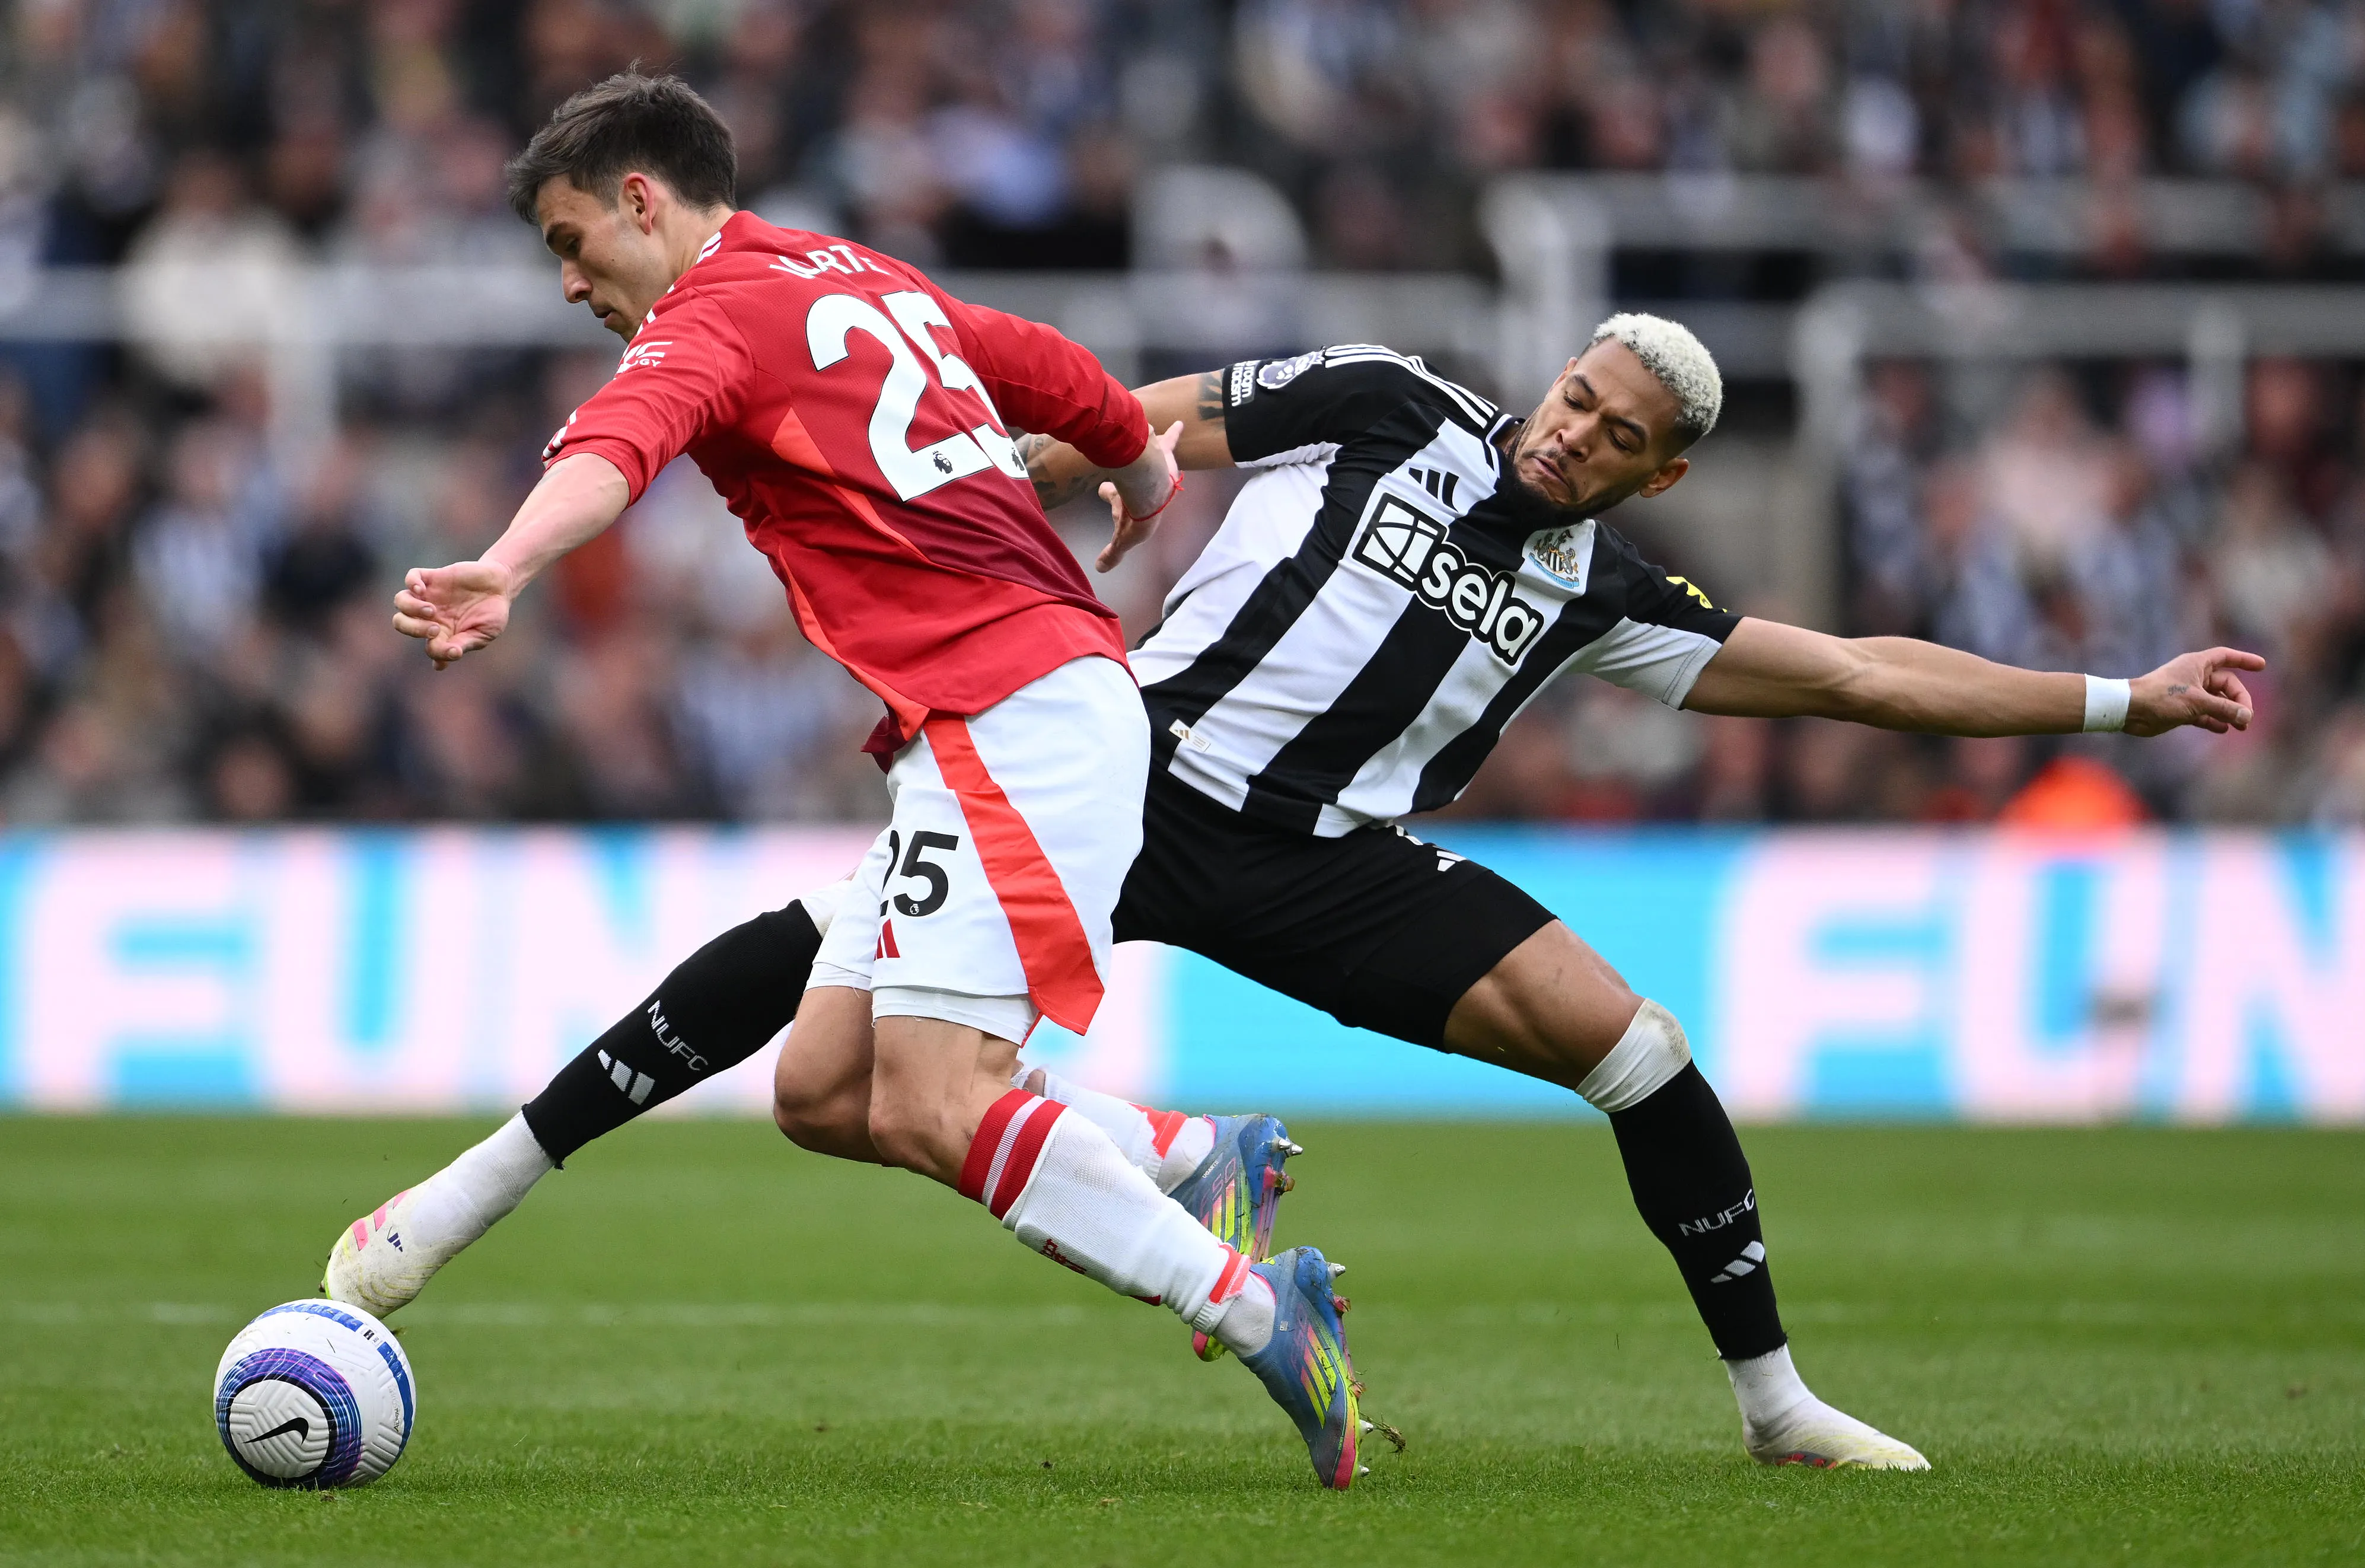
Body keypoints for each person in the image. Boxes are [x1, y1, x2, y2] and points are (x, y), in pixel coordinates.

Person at [338, 313, 2264, 1474]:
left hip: (1327, 867)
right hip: (1119, 778)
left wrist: (2123, 697)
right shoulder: (1380, 399)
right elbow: (1146, 416)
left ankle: (1773, 1406)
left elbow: (1856, 674)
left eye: (1615, 433)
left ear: (1658, 472)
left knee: (1642, 1052)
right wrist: (1003, 496)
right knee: (824, 1062)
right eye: (1571, 394)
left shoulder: (1606, 596)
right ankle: (1185, 1158)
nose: (1569, 430)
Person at [356, 70, 1369, 1489]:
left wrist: (506, 565)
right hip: (1002, 711)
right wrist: (1141, 480)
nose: (571, 283)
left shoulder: (710, 315)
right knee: (828, 1087)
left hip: (1012, 713)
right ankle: (1193, 1153)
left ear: (642, 200)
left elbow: (615, 446)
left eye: (572, 243)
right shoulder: (859, 275)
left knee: (932, 1100)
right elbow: (1054, 369)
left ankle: (1262, 1311)